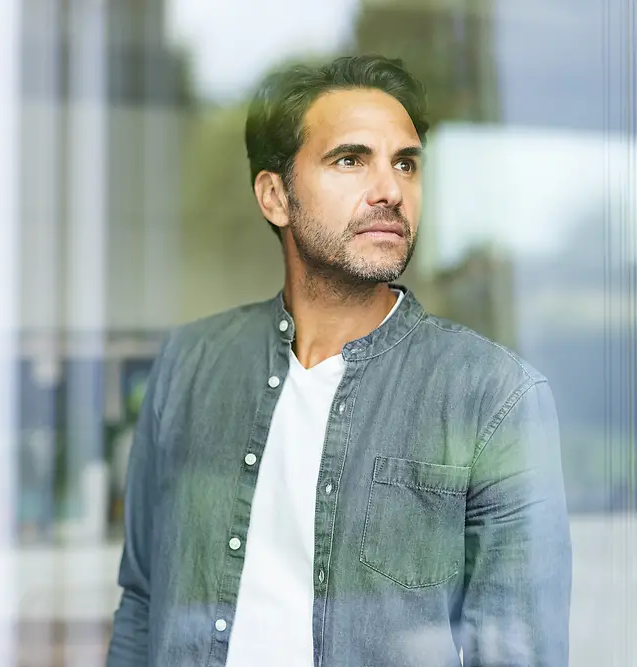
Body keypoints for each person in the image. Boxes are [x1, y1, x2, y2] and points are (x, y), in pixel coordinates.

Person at [105, 54, 572, 667]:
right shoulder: (189, 366)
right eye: (350, 160)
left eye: (405, 164)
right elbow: (143, 603)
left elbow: (520, 653)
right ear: (275, 195)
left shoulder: (495, 396)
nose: (390, 190)